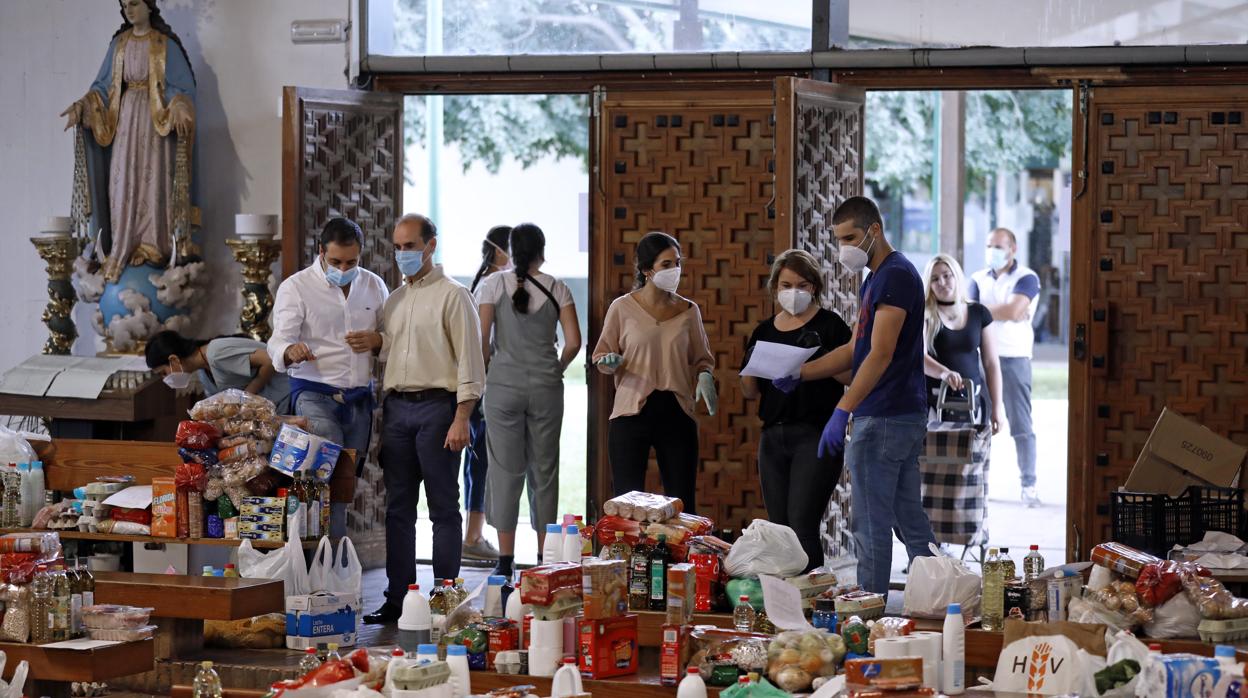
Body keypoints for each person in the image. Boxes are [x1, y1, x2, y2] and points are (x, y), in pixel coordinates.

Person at [776, 196, 936, 594]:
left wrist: (843, 409)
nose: (843, 247)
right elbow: (857, 349)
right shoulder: (875, 278)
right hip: (896, 415)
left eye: (850, 237)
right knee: (909, 521)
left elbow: (880, 354)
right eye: (838, 239)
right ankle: (937, 597)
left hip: (883, 416)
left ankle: (870, 609)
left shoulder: (895, 276)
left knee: (870, 524)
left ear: (874, 230)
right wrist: (803, 371)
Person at [362, 214, 485, 625]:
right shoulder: (393, 301)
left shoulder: (454, 295)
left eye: (410, 246)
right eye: (397, 247)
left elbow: (471, 359)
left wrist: (462, 416)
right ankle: (399, 598)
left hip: (439, 408)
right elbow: (391, 354)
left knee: (443, 507)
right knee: (397, 508)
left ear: (430, 246)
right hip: (397, 408)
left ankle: (444, 599)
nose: (402, 255)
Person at [267, 217, 388, 537]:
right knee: (322, 476)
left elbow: (392, 337)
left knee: (344, 484)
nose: (343, 268)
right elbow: (277, 342)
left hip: (359, 398)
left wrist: (377, 341)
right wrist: (291, 350)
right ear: (320, 252)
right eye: (335, 261)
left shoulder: (373, 285)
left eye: (351, 262)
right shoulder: (296, 287)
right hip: (314, 393)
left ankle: (330, 562)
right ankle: (314, 560)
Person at [62, 0, 197, 282]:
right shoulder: (119, 44)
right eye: (124, 5)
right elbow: (102, 88)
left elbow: (182, 89)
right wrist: (82, 106)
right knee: (121, 182)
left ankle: (153, 245)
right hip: (124, 124)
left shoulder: (164, 44)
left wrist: (181, 106)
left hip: (155, 126)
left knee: (154, 182)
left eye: (134, 3)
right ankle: (123, 242)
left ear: (149, 6)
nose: (129, 10)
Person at [477, 223, 581, 577]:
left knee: (505, 471)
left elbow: (482, 342)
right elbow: (573, 343)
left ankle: (504, 560)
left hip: (503, 386)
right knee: (545, 471)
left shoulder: (492, 285)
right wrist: (558, 368)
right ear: (542, 250)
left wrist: (490, 373)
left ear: (511, 249)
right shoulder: (558, 288)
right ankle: (543, 557)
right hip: (546, 387)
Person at [741, 249, 852, 571]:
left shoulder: (830, 326)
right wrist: (751, 367)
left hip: (815, 435)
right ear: (775, 287)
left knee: (802, 526)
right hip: (773, 436)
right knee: (779, 529)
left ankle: (809, 603)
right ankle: (782, 604)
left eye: (802, 285)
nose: (794, 293)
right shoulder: (764, 330)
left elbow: (851, 376)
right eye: (786, 285)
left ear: (814, 287)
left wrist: (815, 358)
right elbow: (750, 391)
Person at [592, 232, 715, 514]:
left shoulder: (689, 311)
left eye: (678, 262)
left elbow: (702, 359)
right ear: (647, 270)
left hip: (677, 411)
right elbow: (601, 354)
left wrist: (706, 374)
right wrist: (608, 362)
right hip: (631, 412)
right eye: (666, 264)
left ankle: (679, 556)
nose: (675, 270)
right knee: (626, 502)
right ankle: (627, 558)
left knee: (681, 501)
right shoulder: (622, 308)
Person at [969, 228, 1041, 507]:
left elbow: (1010, 311)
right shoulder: (977, 278)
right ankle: (978, 482)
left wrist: (989, 309)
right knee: (979, 424)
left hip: (1014, 358)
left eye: (998, 246)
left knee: (1021, 425)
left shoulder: (1027, 277)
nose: (992, 251)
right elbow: (969, 311)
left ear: (1013, 249)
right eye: (989, 245)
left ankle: (1029, 484)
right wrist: (1005, 309)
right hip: (980, 358)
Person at [461, 225, 512, 562]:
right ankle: (473, 536)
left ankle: (473, 534)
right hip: (484, 384)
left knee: (477, 459)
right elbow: (482, 344)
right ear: (498, 252)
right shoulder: (488, 288)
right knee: (479, 460)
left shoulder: (486, 285)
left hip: (482, 383)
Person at [921, 254, 1003, 434]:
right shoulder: (925, 315)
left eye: (946, 275)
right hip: (934, 403)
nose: (942, 282)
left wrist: (997, 407)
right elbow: (920, 357)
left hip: (974, 403)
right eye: (935, 279)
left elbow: (991, 364)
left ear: (956, 275)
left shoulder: (979, 313)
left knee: (973, 460)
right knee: (935, 460)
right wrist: (944, 373)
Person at [145, 331, 291, 412]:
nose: (166, 378)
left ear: (174, 359)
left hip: (288, 398)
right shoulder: (204, 373)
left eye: (164, 372)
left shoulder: (216, 353)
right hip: (270, 412)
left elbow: (269, 360)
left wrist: (245, 396)